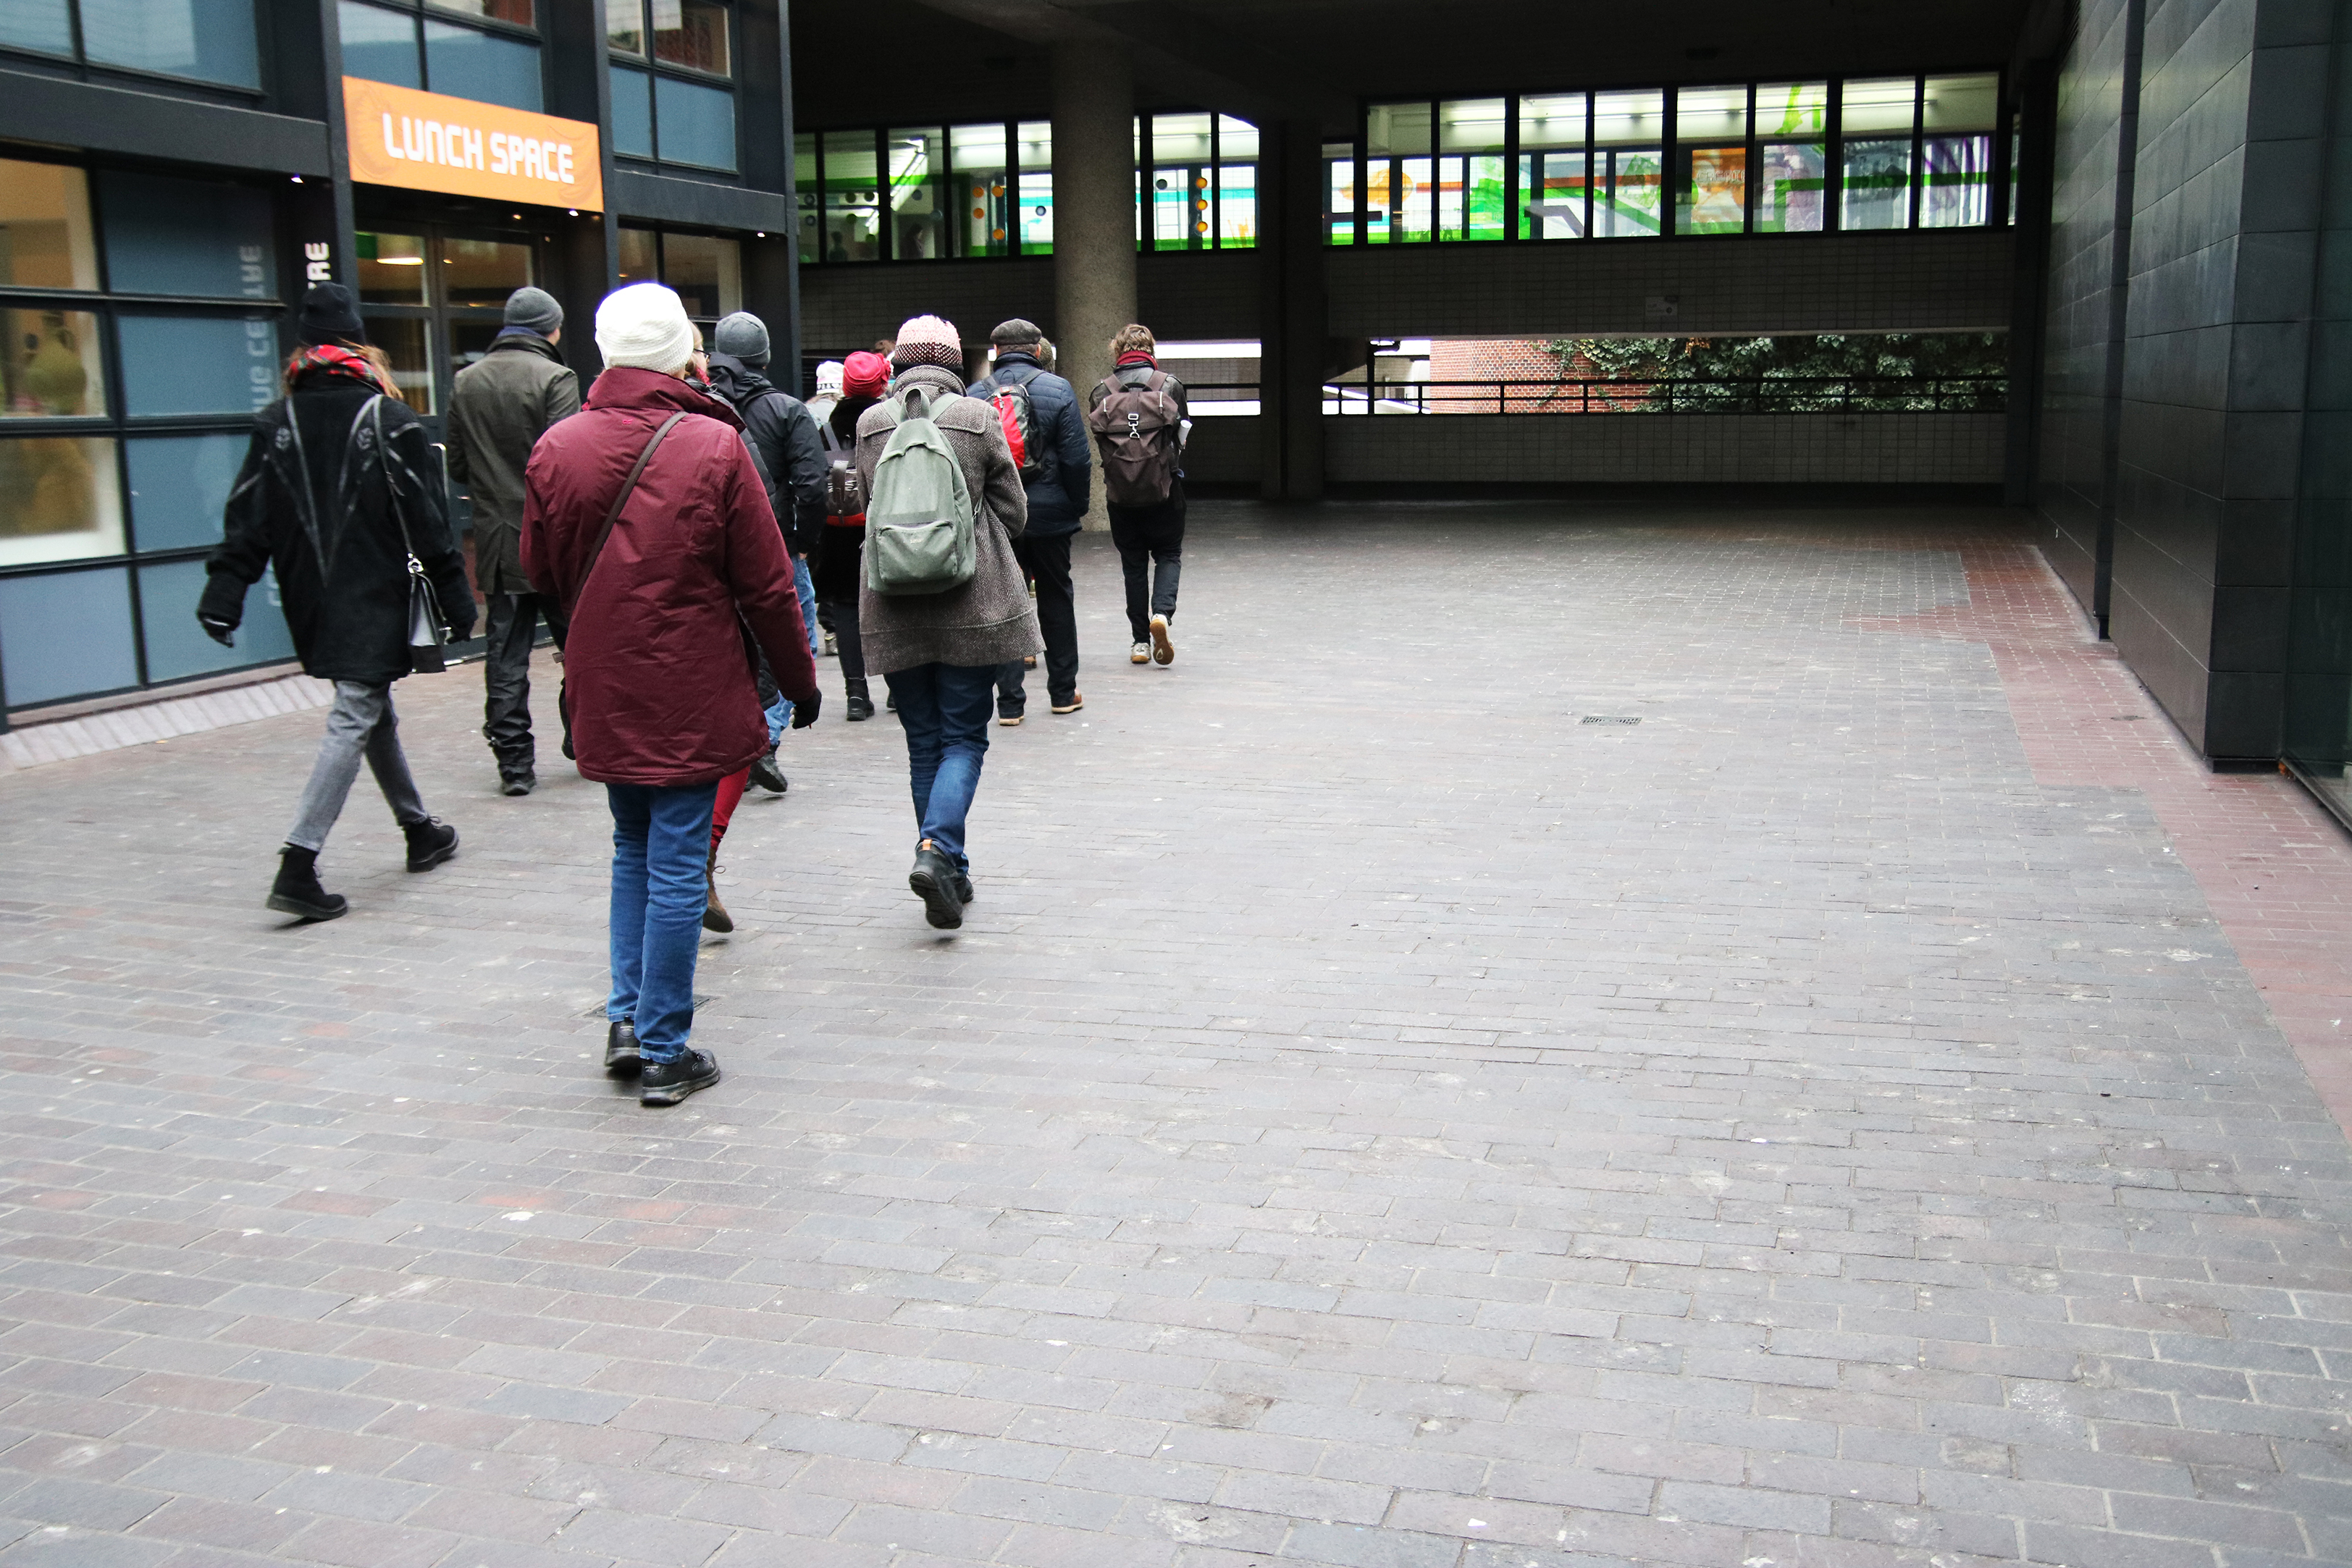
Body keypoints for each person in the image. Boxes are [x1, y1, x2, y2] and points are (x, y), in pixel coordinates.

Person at [521, 282, 819, 1107]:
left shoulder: (557, 447)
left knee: (632, 847)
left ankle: (626, 1019)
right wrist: (798, 682)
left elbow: (540, 571)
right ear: (677, 351)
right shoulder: (713, 447)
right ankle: (663, 1045)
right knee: (679, 856)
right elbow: (766, 587)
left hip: (606, 680)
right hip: (691, 681)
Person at [198, 283, 474, 922]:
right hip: (374, 595)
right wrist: (459, 601)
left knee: (369, 708)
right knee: (356, 712)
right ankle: (300, 861)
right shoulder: (389, 420)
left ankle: (419, 831)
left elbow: (249, 519)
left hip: (310, 598)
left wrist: (225, 592)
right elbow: (429, 522)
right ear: (358, 344)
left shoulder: (278, 421)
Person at [853, 316, 1038, 930]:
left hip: (892, 604)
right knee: (964, 737)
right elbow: (1013, 509)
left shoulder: (872, 424)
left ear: (900, 364)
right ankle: (937, 852)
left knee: (923, 742)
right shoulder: (976, 417)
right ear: (955, 363)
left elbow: (866, 506)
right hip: (972, 604)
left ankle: (948, 867)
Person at [445, 286, 581, 796]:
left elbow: (458, 464)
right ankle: (584, 737)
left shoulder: (466, 381)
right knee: (581, 647)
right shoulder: (557, 378)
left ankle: (514, 763)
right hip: (555, 542)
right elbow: (570, 465)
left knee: (506, 653)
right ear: (551, 328)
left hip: (499, 541)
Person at [707, 312, 827, 793]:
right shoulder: (786, 410)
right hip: (776, 546)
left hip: (714, 551)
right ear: (765, 355)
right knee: (795, 640)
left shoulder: (701, 405)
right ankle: (764, 739)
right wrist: (803, 543)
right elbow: (812, 485)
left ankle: (738, 740)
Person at [973, 319, 1091, 724]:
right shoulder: (1058, 389)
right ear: (1037, 350)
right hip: (1050, 513)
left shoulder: (975, 396)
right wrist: (1075, 506)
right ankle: (1062, 692)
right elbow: (1077, 457)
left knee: (1007, 601)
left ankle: (1009, 704)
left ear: (997, 352)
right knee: (1057, 597)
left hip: (1000, 515)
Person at [1088, 323, 1189, 668]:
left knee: (1133, 565)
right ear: (1151, 350)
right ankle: (1161, 614)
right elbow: (1183, 433)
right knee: (1169, 553)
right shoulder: (1170, 386)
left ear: (1118, 352)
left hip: (1121, 495)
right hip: (1164, 490)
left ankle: (1139, 643)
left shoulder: (1102, 392)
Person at [816, 350, 888, 722]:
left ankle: (856, 694)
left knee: (845, 610)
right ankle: (897, 687)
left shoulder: (826, 427)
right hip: (882, 526)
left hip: (837, 531)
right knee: (893, 603)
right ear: (881, 383)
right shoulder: (888, 423)